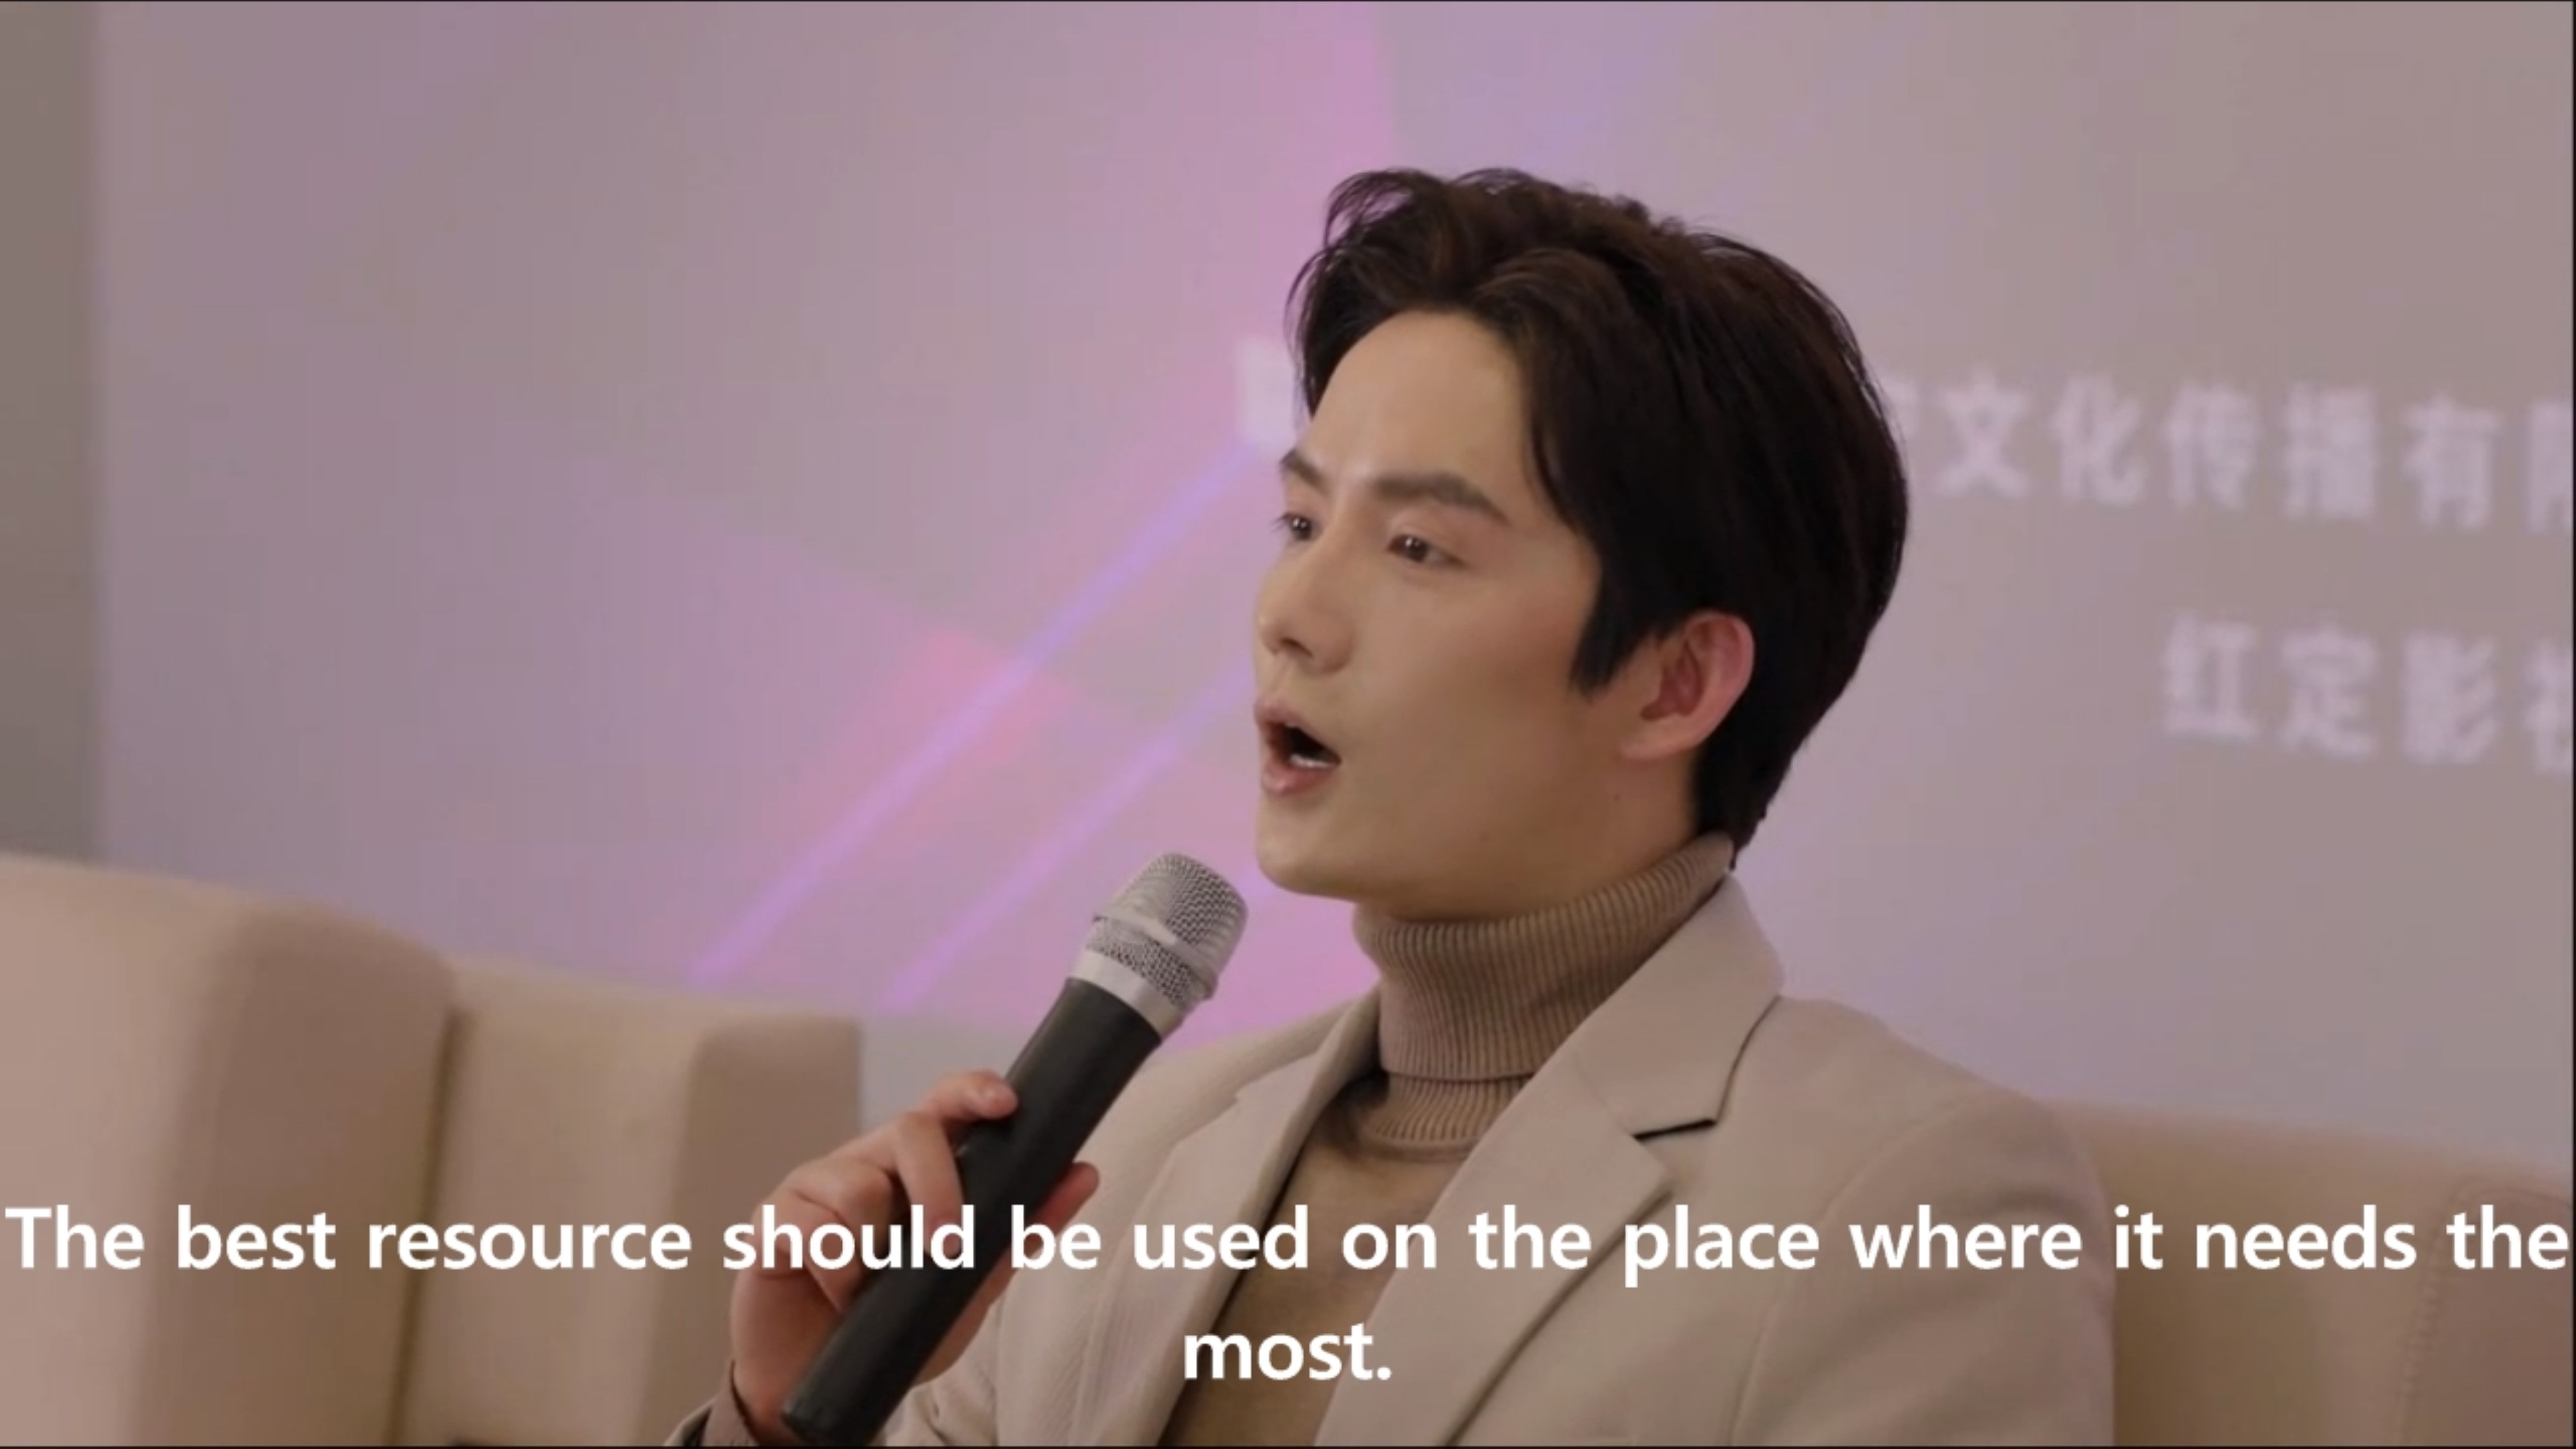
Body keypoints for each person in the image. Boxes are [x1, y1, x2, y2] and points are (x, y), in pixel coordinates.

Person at [672, 167, 2116, 1446]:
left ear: (1673, 683)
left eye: (1417, 547)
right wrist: (780, 1431)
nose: (1290, 611)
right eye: (1301, 522)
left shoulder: (1909, 1201)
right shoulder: (1149, 1143)